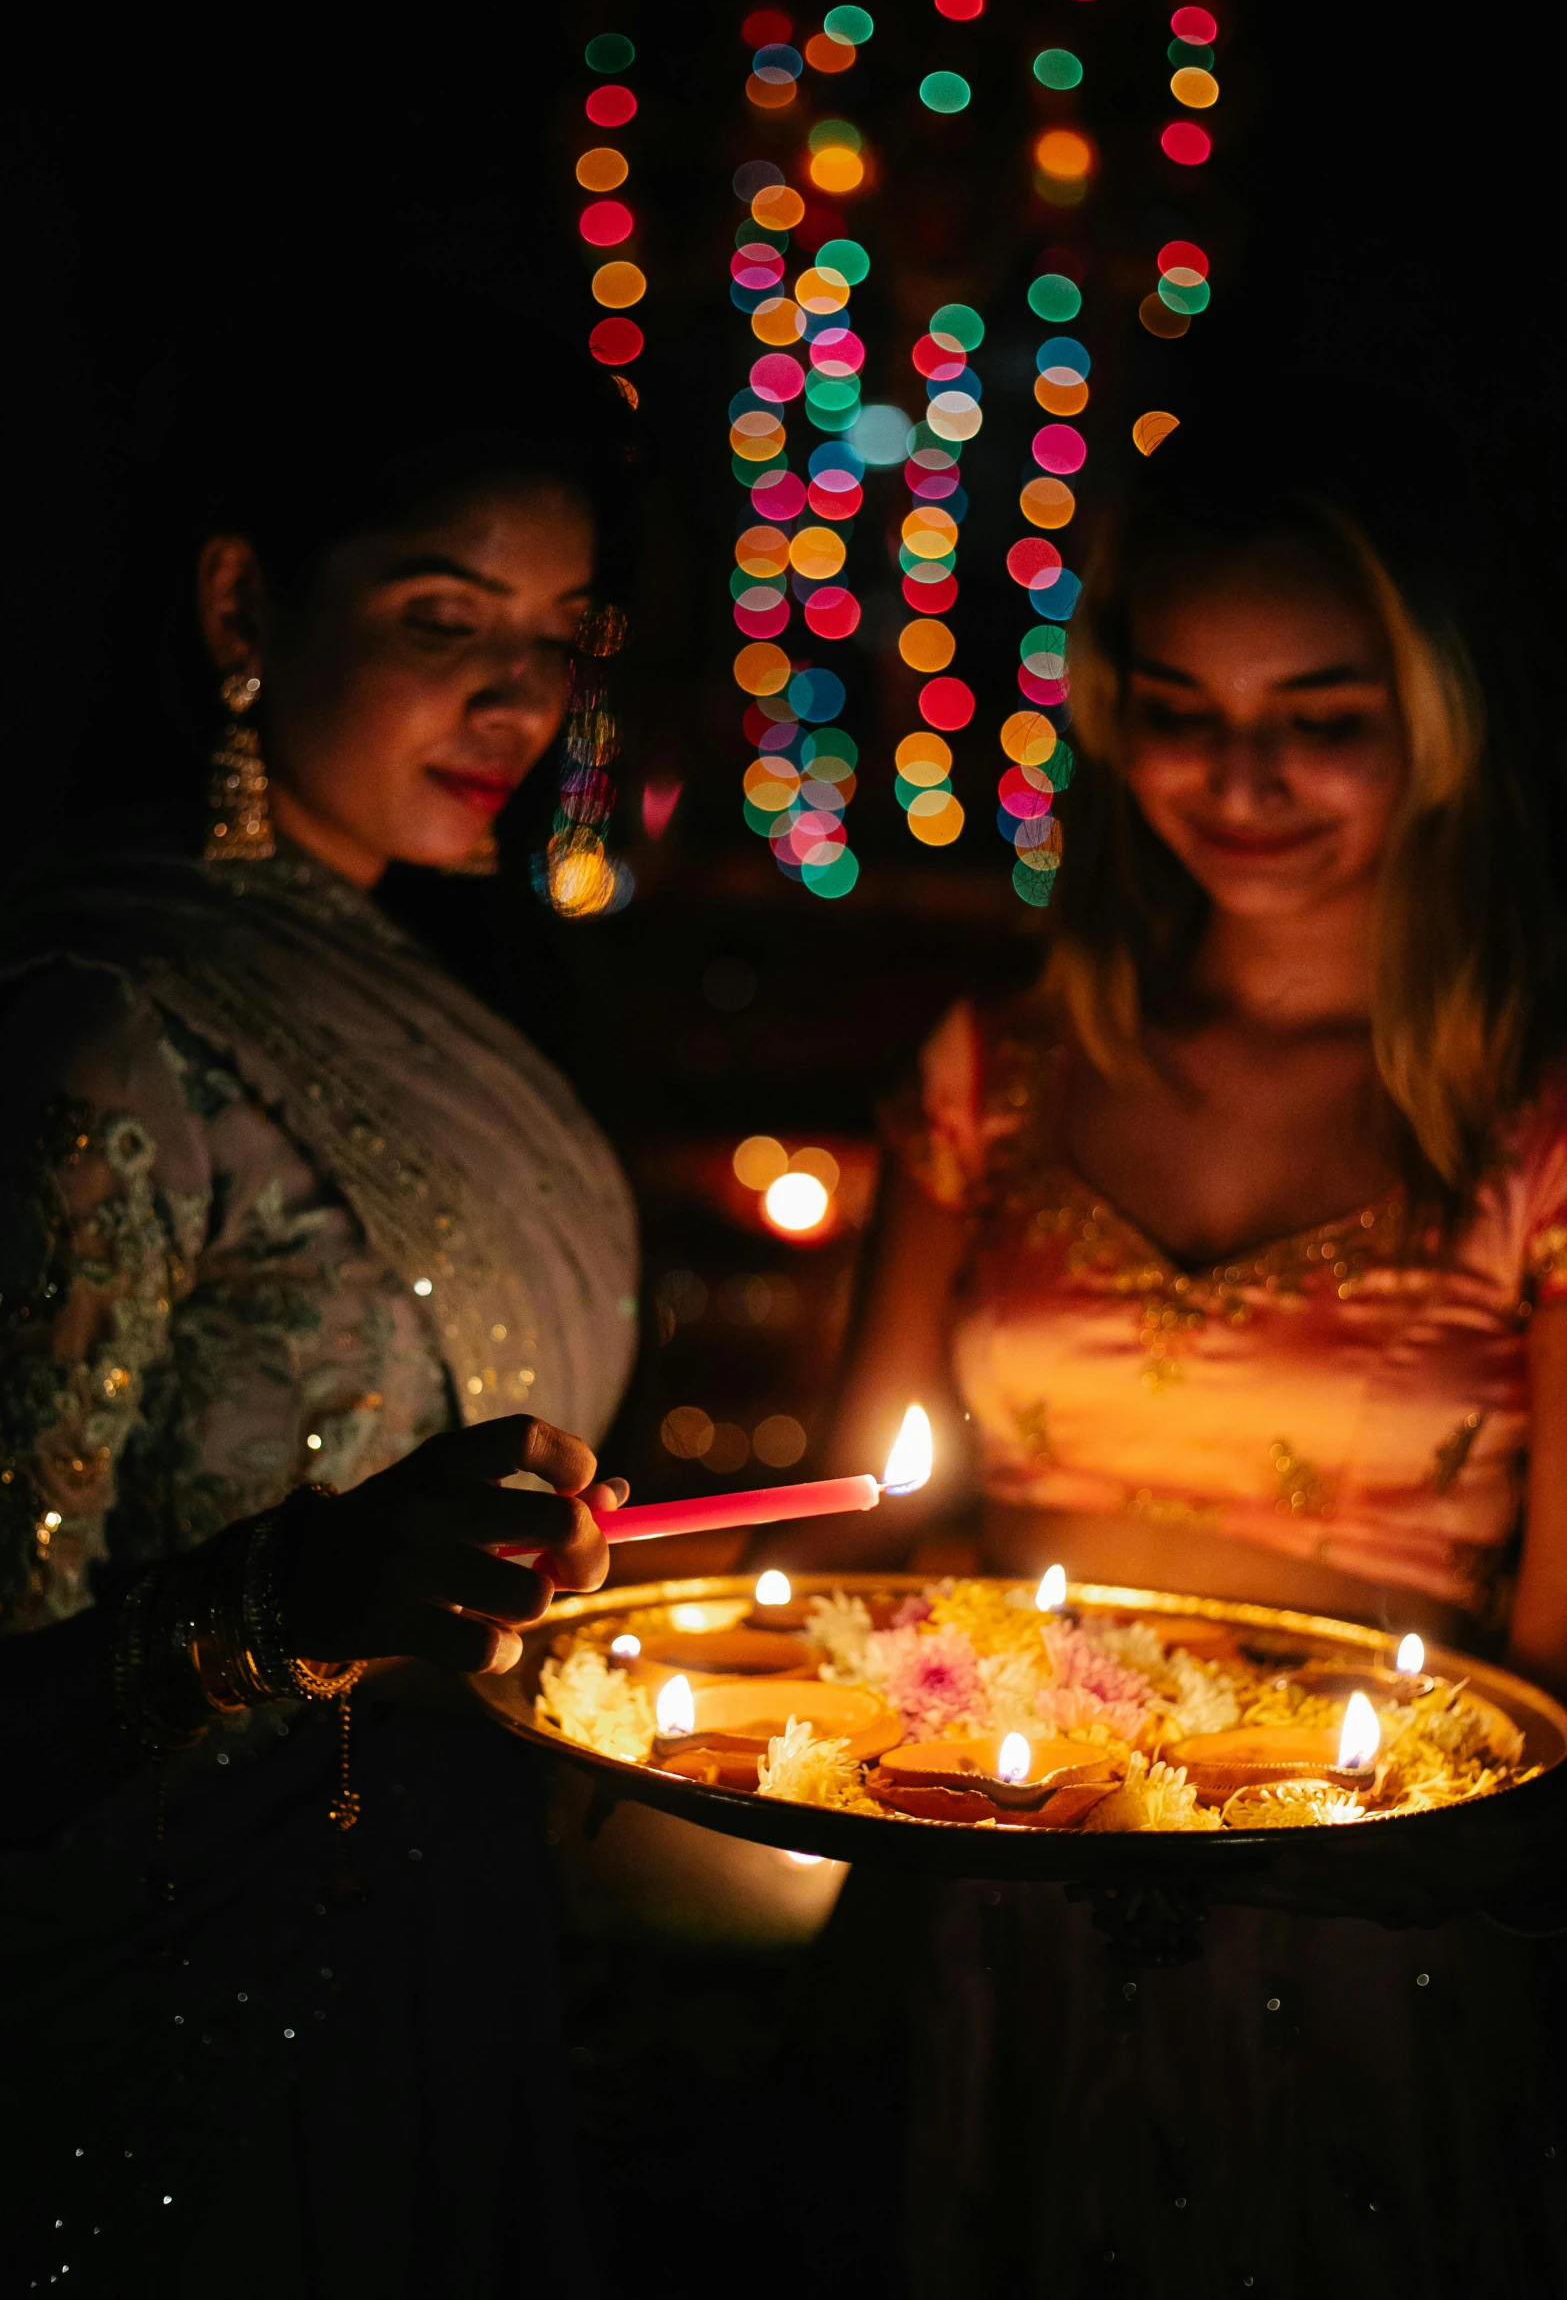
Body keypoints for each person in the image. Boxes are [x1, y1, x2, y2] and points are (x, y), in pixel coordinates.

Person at [790, 408, 1567, 2294]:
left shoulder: (1527, 1129)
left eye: (1322, 714)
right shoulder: (997, 1079)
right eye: (1182, 707)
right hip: (997, 1896)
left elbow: (1556, 1669)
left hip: (1370, 1936)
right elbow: (856, 1521)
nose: (1244, 777)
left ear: (1437, 722)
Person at [0, 304, 639, 2296]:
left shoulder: (426, 979)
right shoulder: (105, 1029)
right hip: (156, 2033)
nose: (518, 697)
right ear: (241, 599)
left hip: (429, 1964)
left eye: (559, 636)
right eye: (451, 618)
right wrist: (296, 1601)